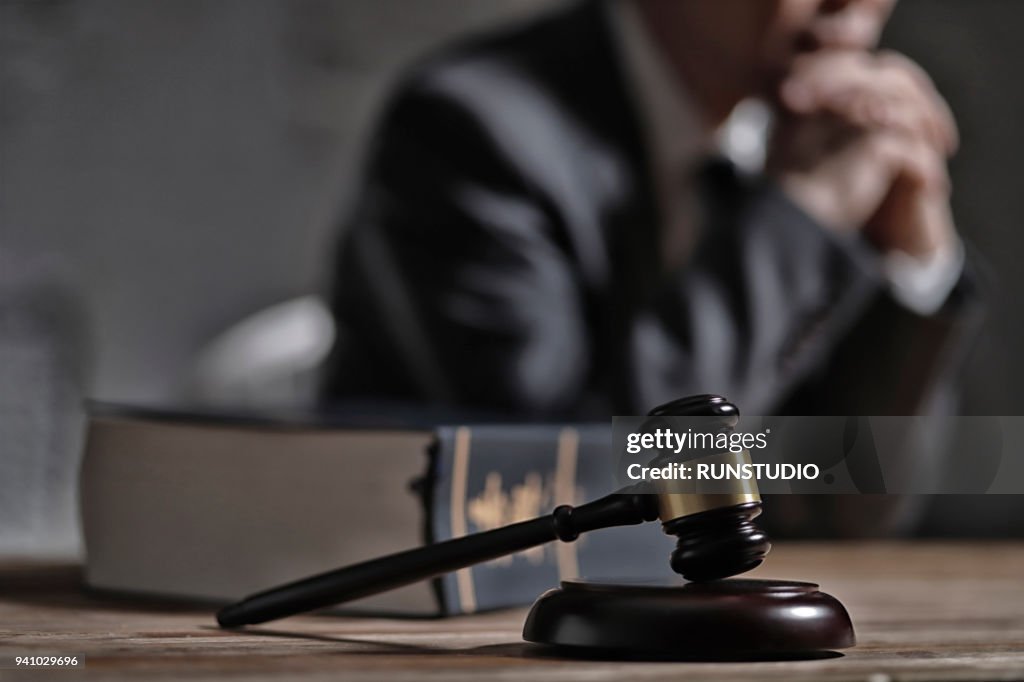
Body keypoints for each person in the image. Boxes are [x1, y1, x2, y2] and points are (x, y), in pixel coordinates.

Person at [321, 0, 979, 427]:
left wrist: (913, 269)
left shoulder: (821, 135)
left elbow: (852, 508)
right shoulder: (467, 129)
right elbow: (565, 489)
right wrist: (798, 218)